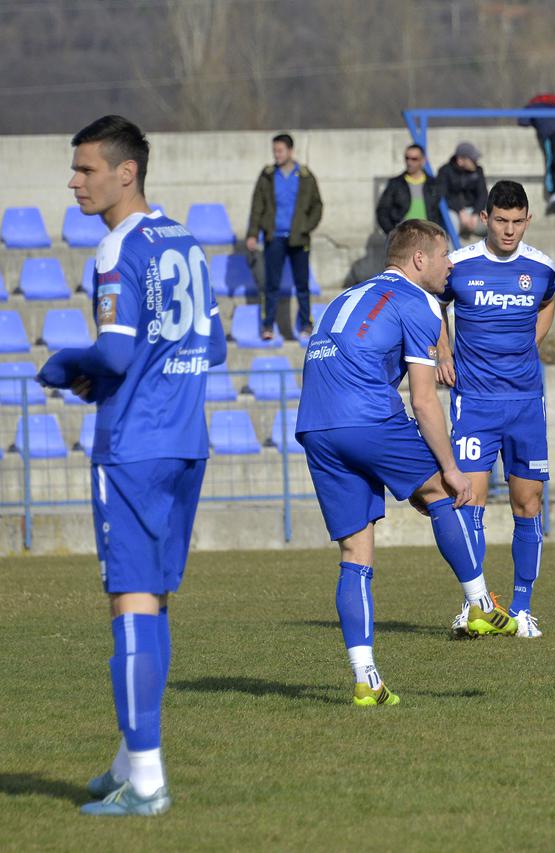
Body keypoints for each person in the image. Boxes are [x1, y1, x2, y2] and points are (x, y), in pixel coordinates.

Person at [37, 115, 227, 816]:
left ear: (126, 173)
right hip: (186, 441)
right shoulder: (186, 239)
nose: (75, 181)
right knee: (155, 598)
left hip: (134, 447)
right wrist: (125, 371)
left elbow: (114, 354)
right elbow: (211, 351)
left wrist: (65, 366)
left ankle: (146, 780)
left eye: (86, 169)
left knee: (130, 601)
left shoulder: (117, 248)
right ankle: (127, 756)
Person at [295, 219, 518, 706]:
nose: (449, 267)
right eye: (443, 257)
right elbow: (423, 400)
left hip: (314, 424)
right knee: (443, 491)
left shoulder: (344, 297)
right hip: (366, 415)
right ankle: (480, 603)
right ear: (419, 259)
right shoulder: (419, 302)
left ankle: (366, 679)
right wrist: (450, 468)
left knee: (355, 555)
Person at [435, 180, 555, 639]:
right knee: (469, 501)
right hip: (475, 405)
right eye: (500, 221)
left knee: (528, 504)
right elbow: (434, 307)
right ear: (485, 219)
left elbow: (548, 304)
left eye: (517, 222)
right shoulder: (460, 267)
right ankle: (477, 604)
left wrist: (532, 342)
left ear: (528, 219)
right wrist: (443, 352)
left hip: (526, 404)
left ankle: (522, 608)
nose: (509, 231)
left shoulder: (541, 268)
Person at [245, 133, 324, 338]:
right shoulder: (267, 175)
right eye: (274, 151)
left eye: (280, 151)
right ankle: (267, 326)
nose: (277, 155)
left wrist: (306, 227)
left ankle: (306, 325)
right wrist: (253, 233)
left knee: (302, 285)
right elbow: (257, 206)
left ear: (290, 151)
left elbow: (317, 205)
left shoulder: (305, 176)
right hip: (274, 237)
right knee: (271, 284)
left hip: (299, 238)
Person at [519, 92, 555, 214]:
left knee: (553, 162)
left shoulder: (533, 108)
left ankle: (553, 193)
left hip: (551, 133)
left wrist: (535, 122)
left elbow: (522, 121)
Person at [375, 143, 443, 234]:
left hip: (428, 234)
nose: (409, 162)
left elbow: (442, 210)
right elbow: (382, 210)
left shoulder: (434, 184)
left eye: (414, 159)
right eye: (407, 158)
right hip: (404, 235)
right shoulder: (395, 183)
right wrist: (392, 232)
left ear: (423, 161)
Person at [437, 141, 488, 236]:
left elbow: (483, 194)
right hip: (454, 211)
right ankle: (451, 250)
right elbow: (442, 194)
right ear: (460, 160)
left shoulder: (478, 170)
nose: (476, 162)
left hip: (473, 211)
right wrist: (460, 210)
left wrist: (476, 213)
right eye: (473, 160)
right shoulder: (445, 171)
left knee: (495, 224)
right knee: (451, 222)